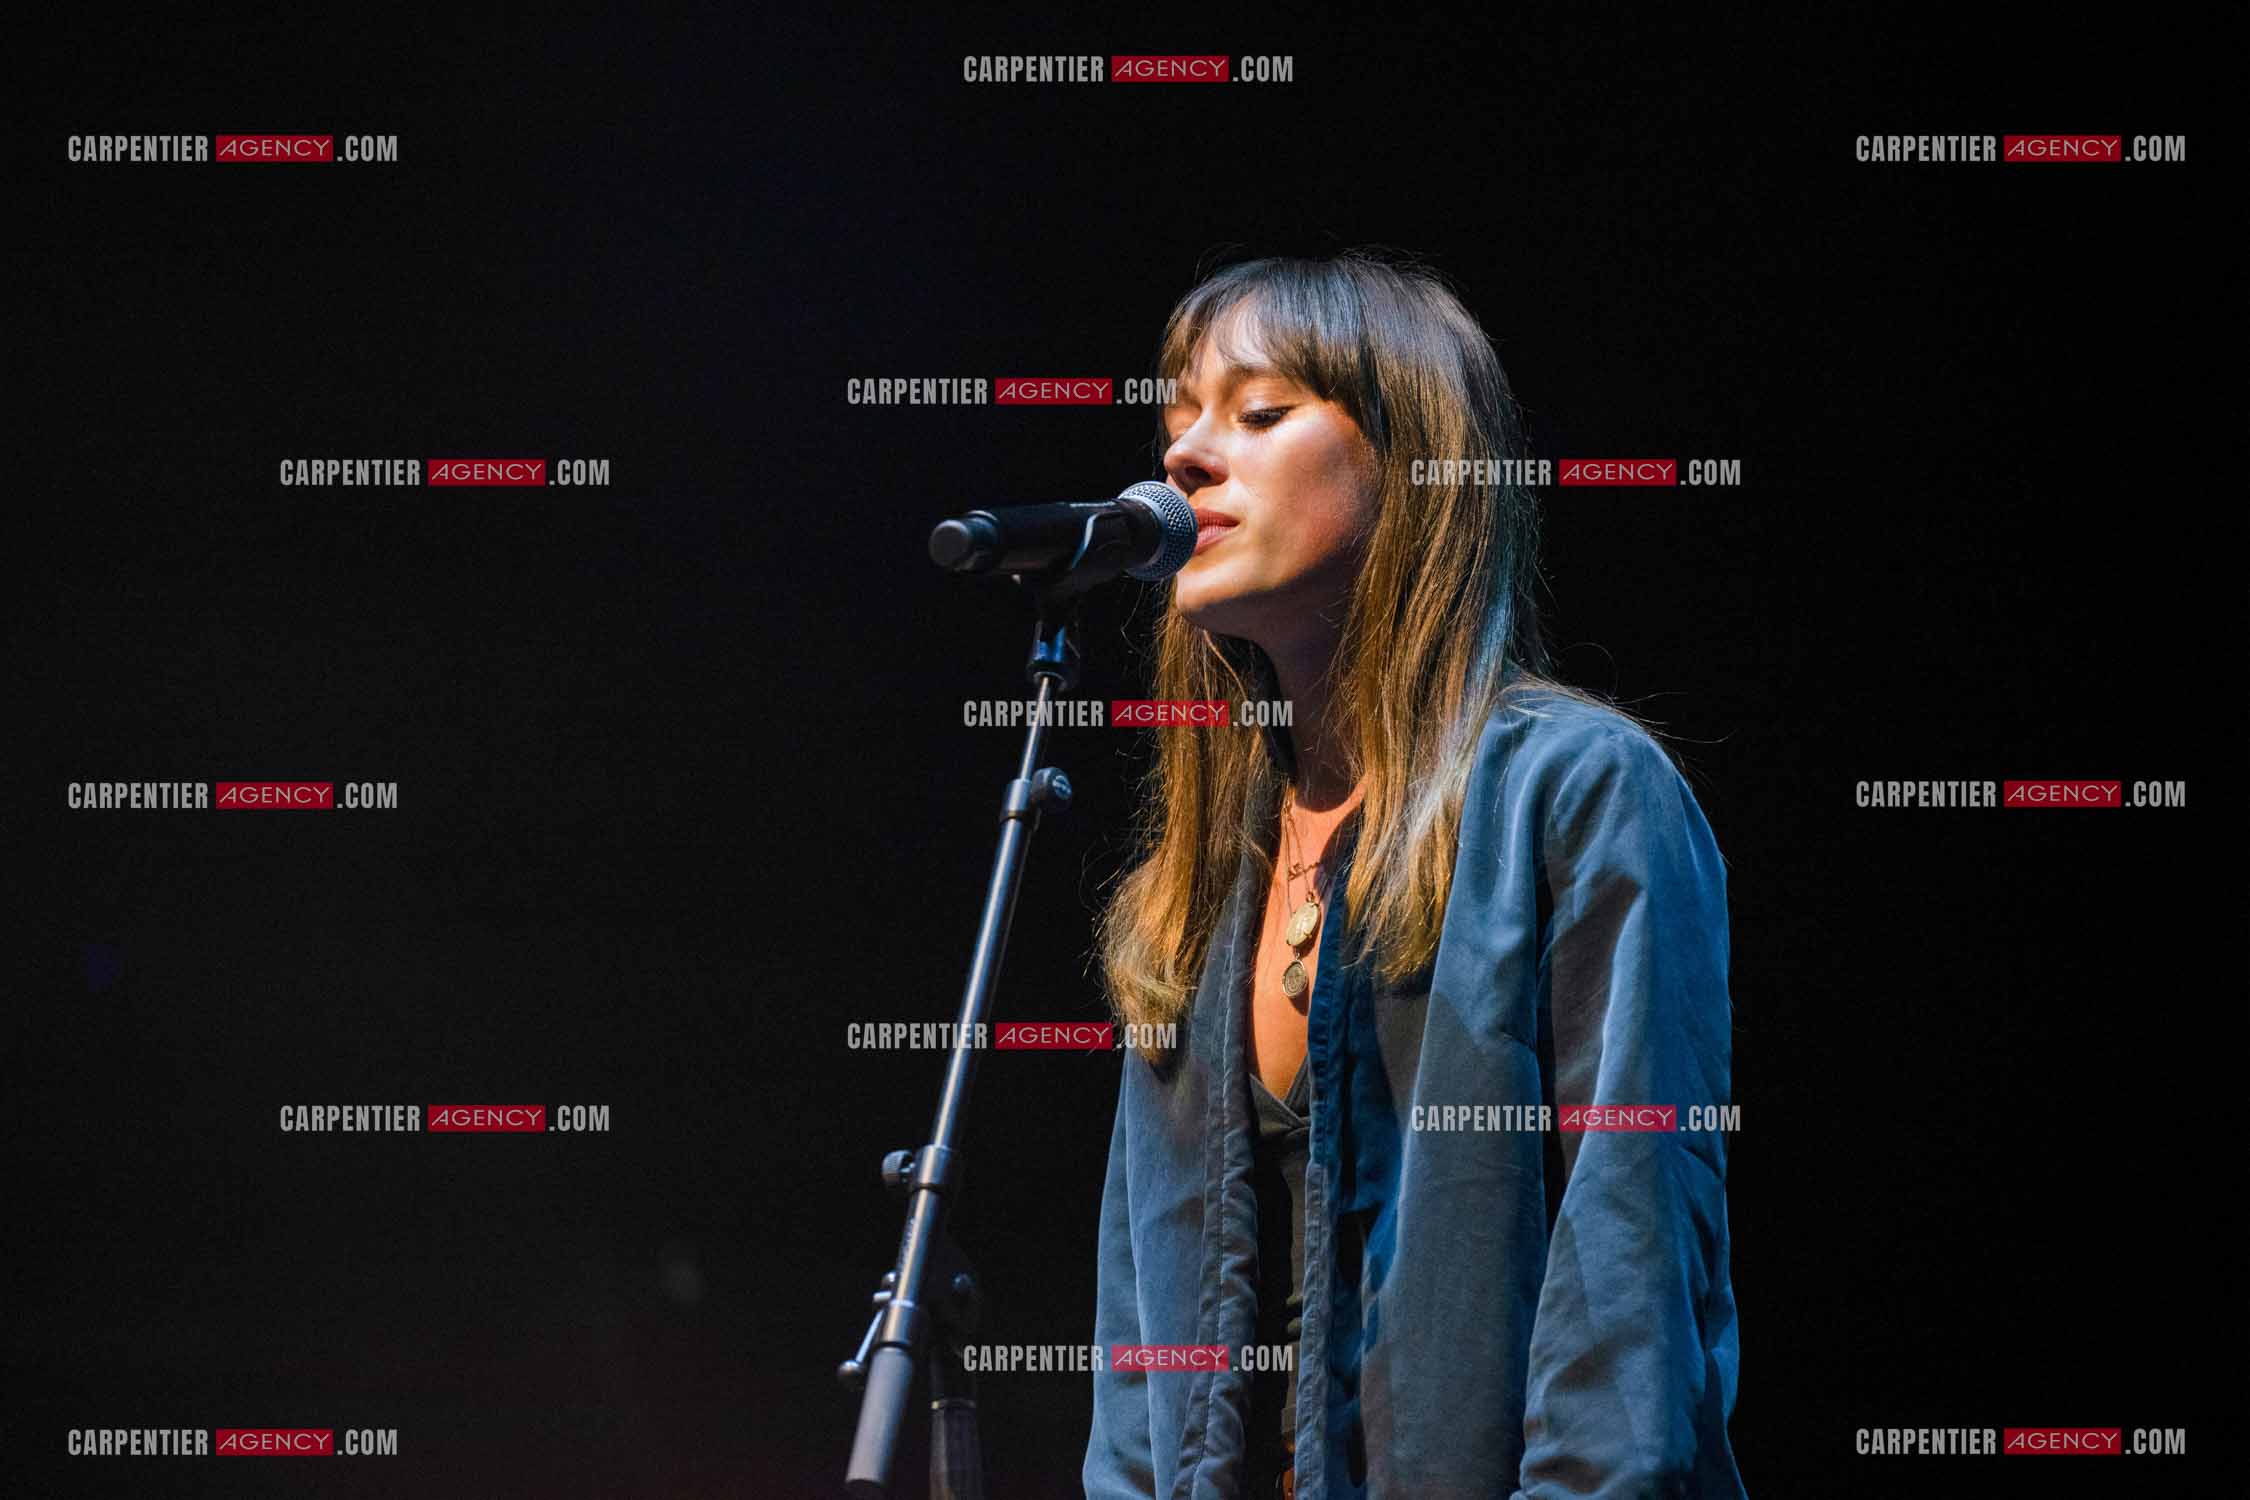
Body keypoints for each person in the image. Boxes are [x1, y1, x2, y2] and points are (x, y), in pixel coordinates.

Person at [1083, 251, 1745, 1498]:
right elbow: (1142, 1346)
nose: (1181, 457)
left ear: (1410, 459)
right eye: (1173, 420)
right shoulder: (1198, 883)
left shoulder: (1578, 790)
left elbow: (1629, 1275)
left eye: (1259, 411)